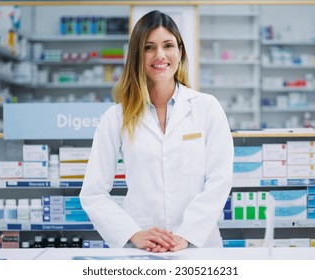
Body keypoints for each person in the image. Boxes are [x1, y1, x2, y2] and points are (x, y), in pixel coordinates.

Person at [80, 10, 233, 253]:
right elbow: (93, 193)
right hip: (142, 250)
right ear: (137, 56)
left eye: (168, 45)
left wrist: (186, 234)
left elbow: (220, 180)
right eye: (149, 47)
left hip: (198, 246)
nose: (159, 55)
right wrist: (134, 234)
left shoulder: (207, 108)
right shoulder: (115, 118)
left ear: (180, 52)